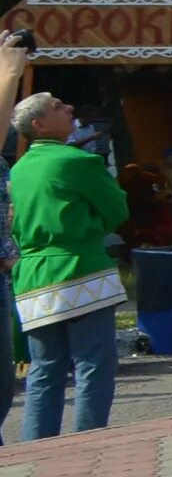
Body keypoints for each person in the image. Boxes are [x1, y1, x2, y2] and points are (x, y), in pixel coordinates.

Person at [11, 92, 127, 439]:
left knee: (45, 369)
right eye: (59, 106)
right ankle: (87, 442)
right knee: (94, 364)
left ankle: (35, 447)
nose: (71, 108)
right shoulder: (77, 161)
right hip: (80, 268)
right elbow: (117, 210)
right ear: (39, 124)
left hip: (33, 274)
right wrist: (87, 227)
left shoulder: (19, 168)